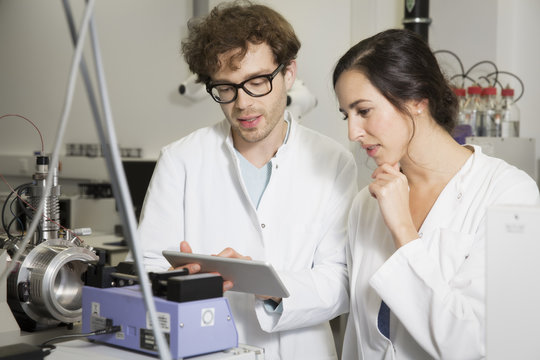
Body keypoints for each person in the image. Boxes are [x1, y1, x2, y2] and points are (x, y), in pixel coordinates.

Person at [134, 1, 357, 359]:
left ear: (288, 74)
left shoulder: (334, 162)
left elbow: (342, 279)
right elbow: (149, 264)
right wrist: (183, 283)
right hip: (204, 347)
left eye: (257, 82)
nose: (242, 104)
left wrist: (266, 286)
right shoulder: (181, 160)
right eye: (225, 88)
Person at [333, 28, 539, 360]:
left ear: (416, 99)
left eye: (364, 111)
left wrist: (403, 231)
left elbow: (478, 346)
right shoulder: (366, 204)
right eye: (347, 115)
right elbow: (358, 338)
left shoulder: (508, 194)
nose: (353, 132)